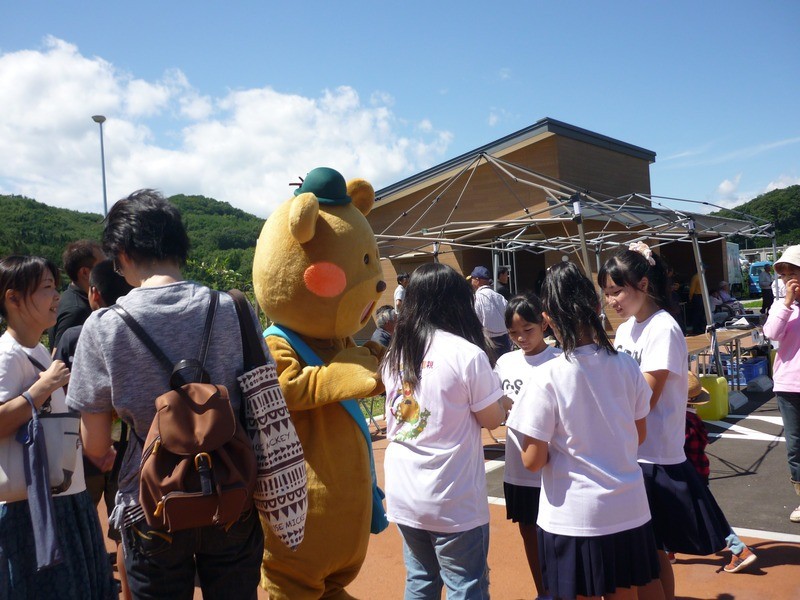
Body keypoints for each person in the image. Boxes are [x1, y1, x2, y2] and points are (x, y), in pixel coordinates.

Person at [65, 190, 263, 600]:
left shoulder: (103, 327)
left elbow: (96, 444)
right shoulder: (232, 308)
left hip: (151, 506)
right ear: (179, 244)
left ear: (121, 253)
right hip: (231, 493)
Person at [600, 242, 756, 598]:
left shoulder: (663, 327)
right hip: (632, 453)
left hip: (656, 458)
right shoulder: (625, 331)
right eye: (607, 293)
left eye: (617, 291)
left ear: (643, 284)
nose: (612, 301)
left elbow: (645, 397)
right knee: (649, 551)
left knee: (651, 552)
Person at [506, 261, 662, 600]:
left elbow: (533, 461)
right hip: (629, 507)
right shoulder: (626, 365)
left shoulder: (547, 376)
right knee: (626, 593)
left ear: (546, 318)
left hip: (573, 516)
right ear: (595, 306)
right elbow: (640, 435)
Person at [381, 263, 511, 599]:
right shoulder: (466, 354)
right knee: (465, 583)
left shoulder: (396, 353)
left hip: (404, 490)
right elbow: (491, 419)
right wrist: (504, 403)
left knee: (421, 578)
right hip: (450, 494)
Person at [0, 255, 114, 599]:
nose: (56, 298)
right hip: (29, 507)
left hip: (59, 496)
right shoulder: (8, 354)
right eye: (47, 288)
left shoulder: (35, 350)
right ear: (13, 298)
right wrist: (40, 390)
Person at [54, 259, 133, 598]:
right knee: (128, 534)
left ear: (94, 294)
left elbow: (56, 390)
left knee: (79, 528)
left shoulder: (74, 336)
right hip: (130, 449)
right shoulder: (135, 329)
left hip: (82, 448)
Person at [493, 292, 560, 600]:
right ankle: (543, 592)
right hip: (518, 470)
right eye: (513, 332)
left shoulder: (560, 359)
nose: (521, 337)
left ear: (544, 324)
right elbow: (494, 407)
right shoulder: (505, 363)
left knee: (559, 538)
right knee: (529, 533)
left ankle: (565, 591)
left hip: (555, 469)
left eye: (528, 329)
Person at [763, 245, 800, 523]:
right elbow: (772, 333)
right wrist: (787, 302)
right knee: (795, 448)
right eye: (784, 274)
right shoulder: (781, 306)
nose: (788, 278)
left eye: (793, 271)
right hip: (789, 385)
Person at [49, 240, 105, 348]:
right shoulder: (76, 311)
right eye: (102, 266)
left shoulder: (68, 297)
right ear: (85, 272)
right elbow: (60, 358)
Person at [470, 265, 511, 356]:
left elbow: (475, 322)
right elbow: (509, 315)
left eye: (472, 279)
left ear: (477, 280)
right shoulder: (499, 297)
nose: (471, 281)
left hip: (489, 341)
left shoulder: (477, 298)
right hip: (505, 339)